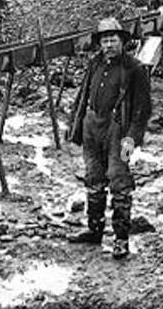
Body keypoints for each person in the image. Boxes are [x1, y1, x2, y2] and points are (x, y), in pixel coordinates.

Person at [66, 17, 153, 260]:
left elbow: (143, 110)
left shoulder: (134, 69)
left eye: (113, 40)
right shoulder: (95, 64)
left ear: (122, 41)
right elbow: (82, 96)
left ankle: (121, 239)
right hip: (92, 127)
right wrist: (76, 125)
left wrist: (131, 140)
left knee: (119, 181)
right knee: (93, 176)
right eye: (104, 40)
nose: (108, 45)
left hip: (120, 133)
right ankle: (94, 230)